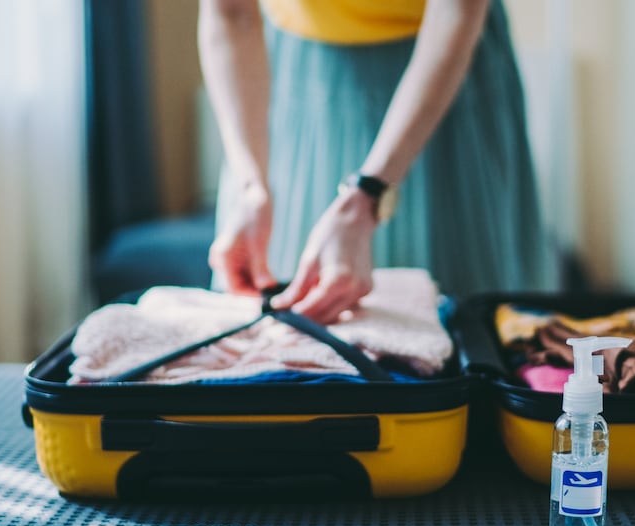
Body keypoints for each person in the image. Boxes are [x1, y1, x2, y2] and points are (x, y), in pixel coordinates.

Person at [198, 0, 556, 324]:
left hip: (444, 64)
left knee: (460, 322)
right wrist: (251, 184)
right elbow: (230, 12)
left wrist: (368, 194)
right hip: (295, 71)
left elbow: (456, 9)